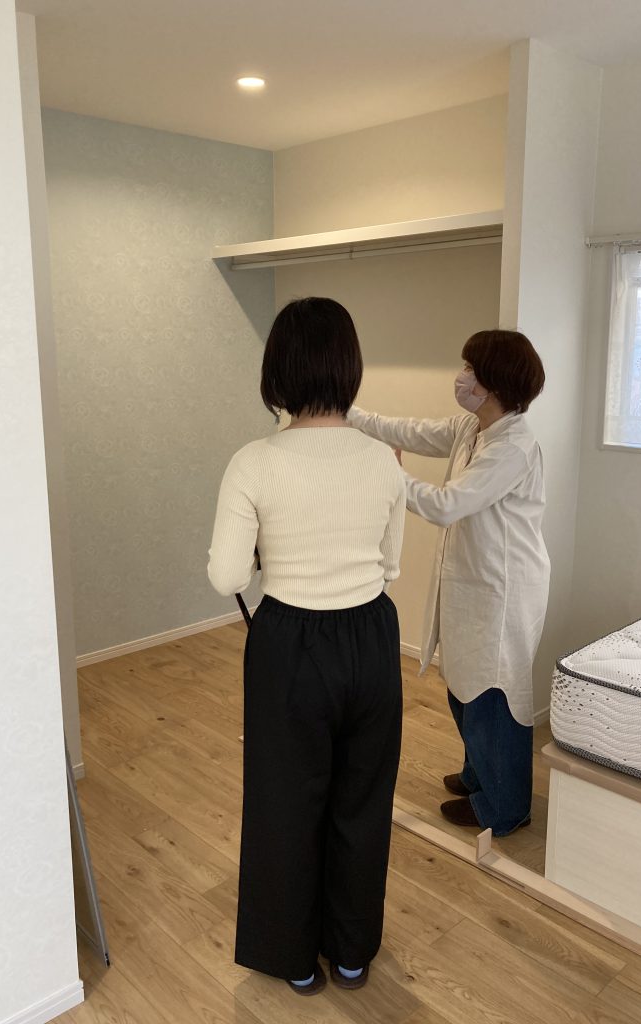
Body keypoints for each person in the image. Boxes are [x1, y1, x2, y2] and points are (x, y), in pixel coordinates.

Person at [208, 297, 406, 995]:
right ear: (349, 368)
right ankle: (351, 953)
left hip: (290, 641)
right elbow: (391, 566)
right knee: (362, 799)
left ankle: (294, 959)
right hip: (372, 637)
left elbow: (227, 577)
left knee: (286, 805)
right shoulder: (383, 460)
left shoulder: (253, 462)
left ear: (278, 372)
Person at [348, 329, 550, 838]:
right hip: (476, 583)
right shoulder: (474, 428)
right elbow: (413, 431)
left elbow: (446, 505)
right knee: (464, 688)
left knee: (491, 696)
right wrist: (350, 414)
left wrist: (388, 474)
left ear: (494, 383)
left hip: (504, 591)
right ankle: (479, 776)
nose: (460, 377)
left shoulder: (513, 447)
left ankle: (505, 808)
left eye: (469, 369)